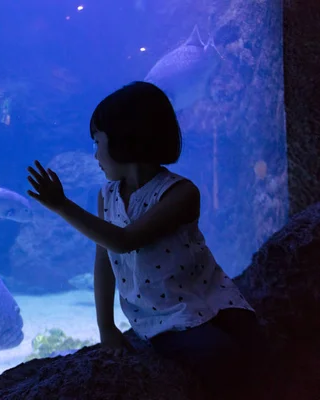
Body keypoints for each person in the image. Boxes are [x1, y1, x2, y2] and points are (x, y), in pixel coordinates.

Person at [26, 81, 266, 396]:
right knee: (218, 357)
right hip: (164, 320)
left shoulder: (181, 193)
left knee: (255, 349)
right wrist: (106, 328)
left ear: (125, 140)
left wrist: (62, 206)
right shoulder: (107, 195)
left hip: (216, 302)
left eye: (98, 142)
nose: (95, 154)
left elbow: (125, 240)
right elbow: (106, 259)